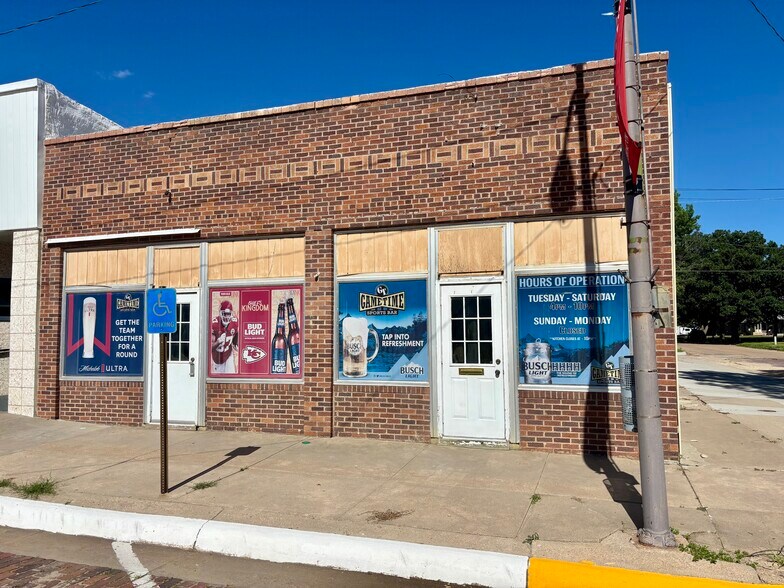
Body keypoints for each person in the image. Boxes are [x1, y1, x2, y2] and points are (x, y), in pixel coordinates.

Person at [211, 300, 239, 373]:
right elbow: (209, 347)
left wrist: (236, 343)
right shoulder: (214, 324)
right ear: (220, 313)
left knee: (231, 378)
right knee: (218, 381)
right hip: (218, 359)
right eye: (224, 314)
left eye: (228, 314)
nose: (226, 316)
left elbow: (235, 334)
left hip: (228, 355)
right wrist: (218, 342)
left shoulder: (234, 322)